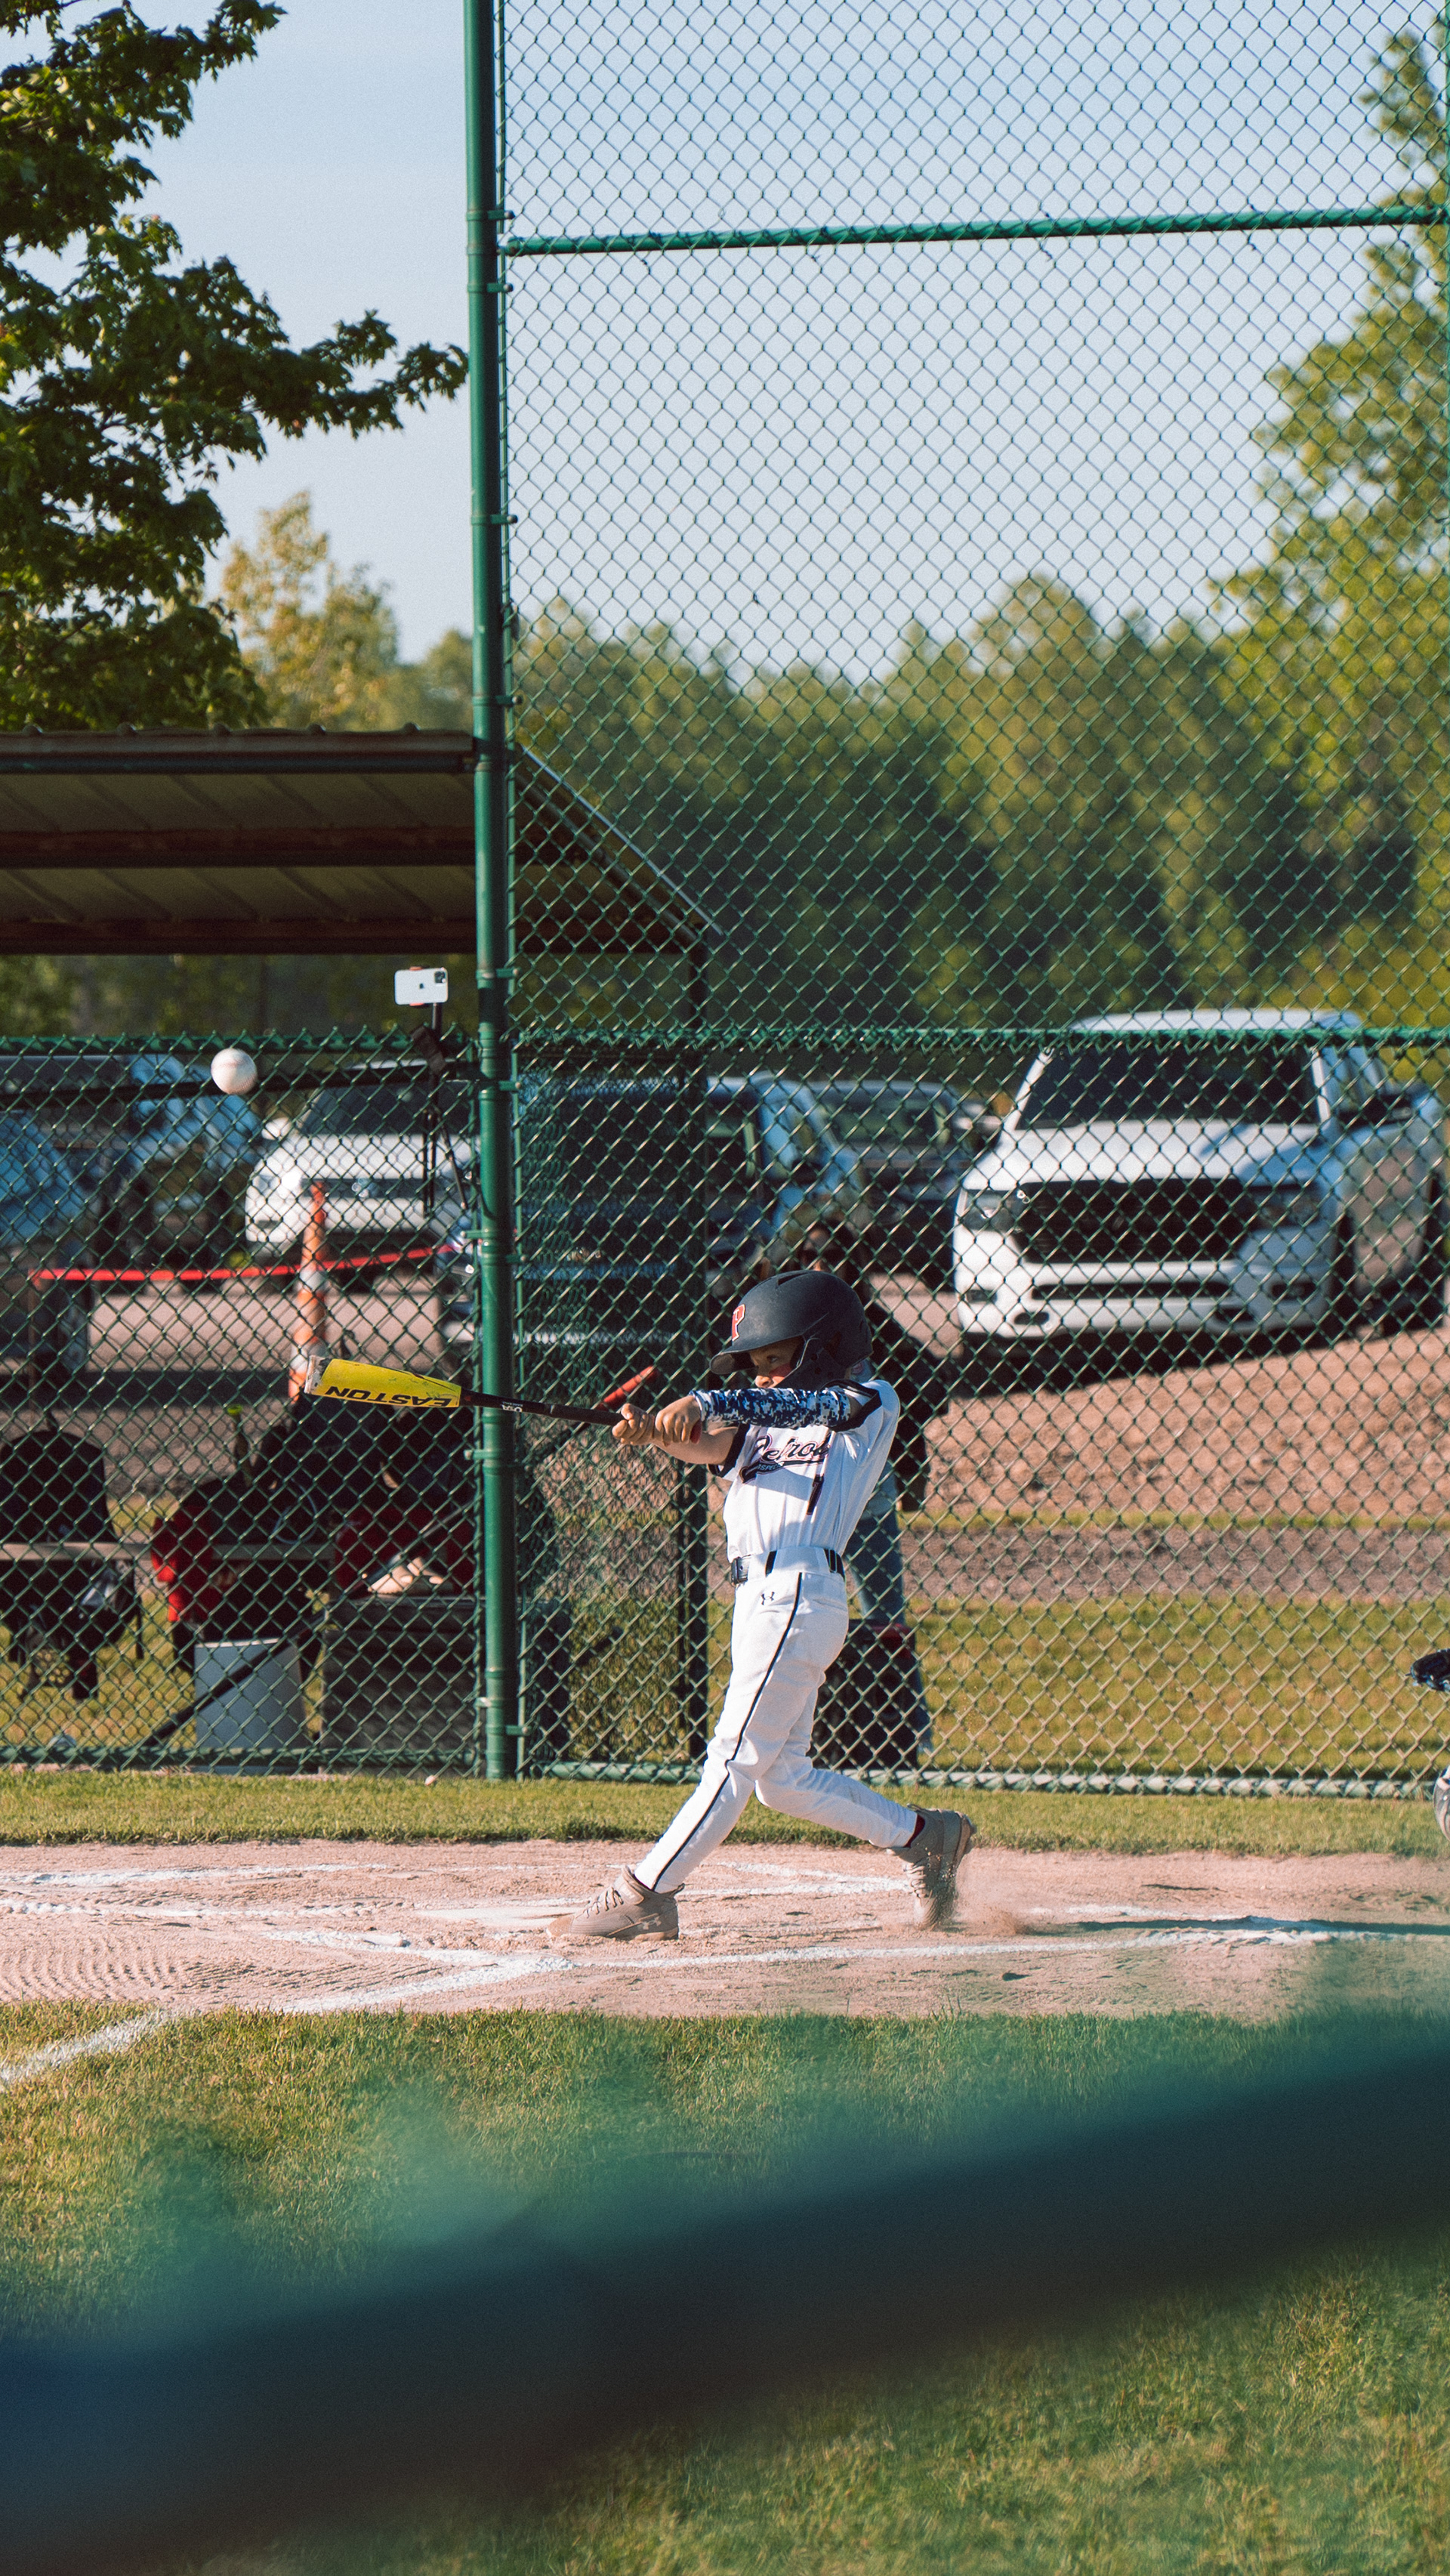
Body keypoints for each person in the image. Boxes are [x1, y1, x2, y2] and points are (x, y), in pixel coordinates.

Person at [551, 1268, 973, 1941]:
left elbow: (808, 1409)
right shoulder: (759, 1419)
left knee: (734, 1757)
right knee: (783, 1779)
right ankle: (925, 1838)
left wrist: (705, 1398)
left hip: (800, 1591)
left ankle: (646, 1893)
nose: (764, 1375)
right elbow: (713, 1444)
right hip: (758, 1598)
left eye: (775, 1358)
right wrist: (655, 1431)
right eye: (756, 1364)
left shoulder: (869, 1402)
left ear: (822, 1346)